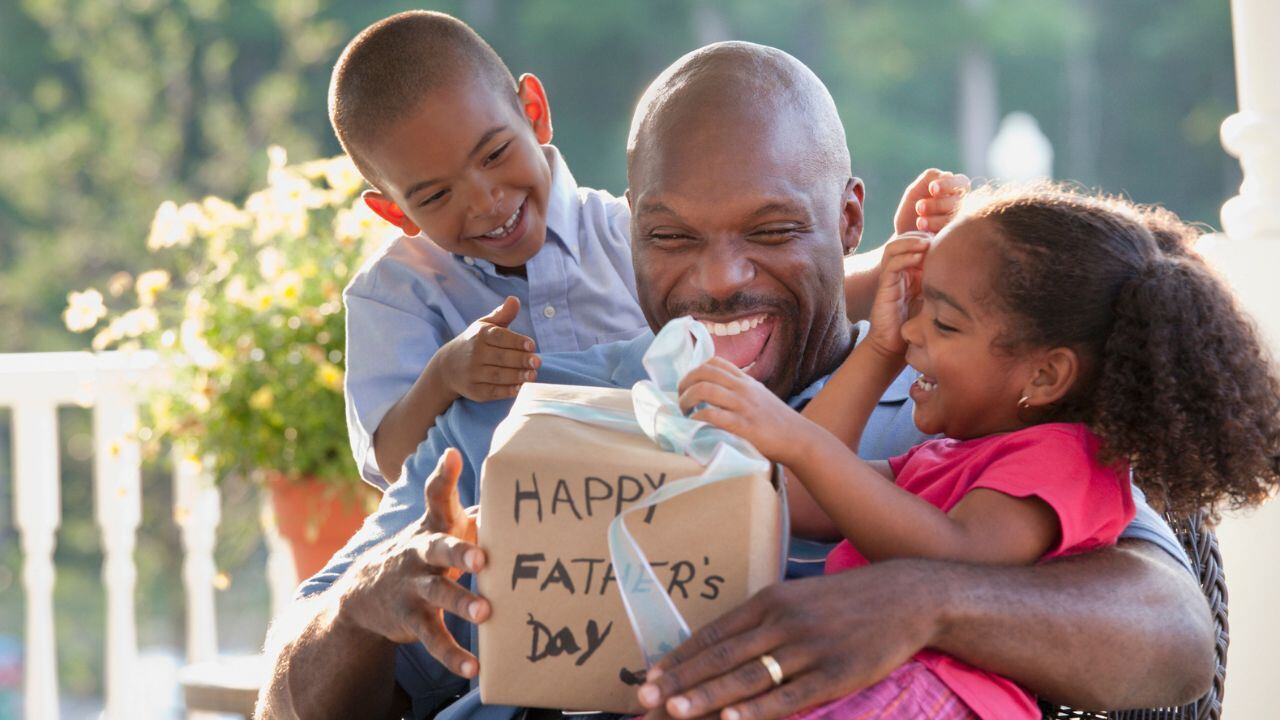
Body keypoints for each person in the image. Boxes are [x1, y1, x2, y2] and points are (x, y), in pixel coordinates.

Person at [258, 43, 1216, 720]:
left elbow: (1175, 637)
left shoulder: (971, 413)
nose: (718, 280)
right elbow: (286, 703)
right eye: (671, 236)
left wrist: (917, 600)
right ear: (628, 230)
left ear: (849, 222)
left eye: (769, 232)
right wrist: (364, 609)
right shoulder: (518, 421)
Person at [671, 187, 1280, 719]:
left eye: (946, 324)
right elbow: (804, 497)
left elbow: (956, 558)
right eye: (919, 311)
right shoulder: (948, 458)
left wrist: (797, 436)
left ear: (1044, 377)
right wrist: (880, 347)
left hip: (933, 695)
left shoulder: (1064, 460)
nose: (913, 331)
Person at [331, 11, 965, 490]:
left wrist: (910, 256)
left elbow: (798, 294)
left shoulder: (619, 230)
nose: (486, 201)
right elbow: (393, 468)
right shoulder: (400, 294)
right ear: (394, 212)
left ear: (535, 112)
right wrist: (445, 379)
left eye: (495, 155)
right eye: (437, 195)